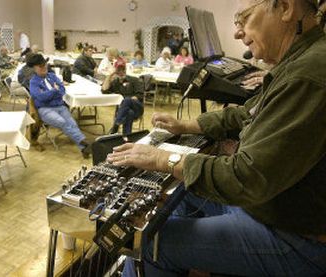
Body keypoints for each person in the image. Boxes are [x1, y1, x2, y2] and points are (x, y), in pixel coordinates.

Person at [109, 0, 326, 276]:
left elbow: (244, 176)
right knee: (183, 195)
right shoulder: (299, 61)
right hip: (271, 207)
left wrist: (165, 158)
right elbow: (247, 113)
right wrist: (186, 124)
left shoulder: (308, 74)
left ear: (284, 8)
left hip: (294, 238)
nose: (237, 33)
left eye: (243, 19)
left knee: (150, 242)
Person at [27, 54, 91, 158]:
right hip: (45, 110)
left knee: (72, 124)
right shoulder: (33, 82)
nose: (44, 68)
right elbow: (40, 97)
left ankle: (84, 148)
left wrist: (51, 92)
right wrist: (54, 90)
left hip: (60, 106)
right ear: (34, 68)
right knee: (61, 121)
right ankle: (83, 141)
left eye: (45, 65)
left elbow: (62, 90)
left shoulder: (52, 76)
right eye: (40, 66)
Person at [102, 60, 144, 135]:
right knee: (129, 113)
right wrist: (110, 75)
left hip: (137, 107)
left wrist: (131, 99)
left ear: (126, 69)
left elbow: (140, 95)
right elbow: (104, 90)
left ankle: (115, 126)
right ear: (116, 71)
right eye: (119, 70)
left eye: (123, 69)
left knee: (127, 100)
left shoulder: (134, 79)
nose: (121, 72)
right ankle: (126, 138)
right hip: (124, 111)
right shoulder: (115, 82)